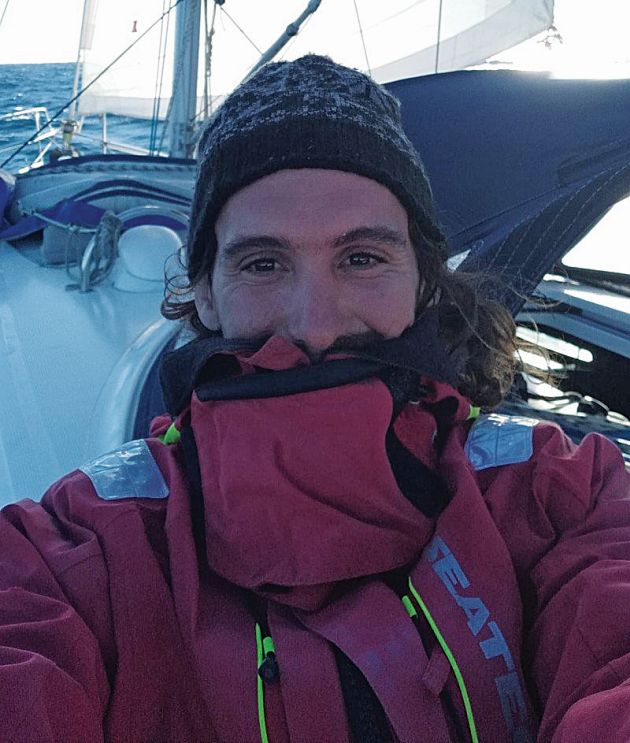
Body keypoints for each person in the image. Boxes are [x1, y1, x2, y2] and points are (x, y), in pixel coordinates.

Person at [1, 54, 629, 743]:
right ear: (204, 292)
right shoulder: (75, 551)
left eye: (361, 259)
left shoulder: (563, 496)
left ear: (422, 281)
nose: (316, 324)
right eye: (263, 264)